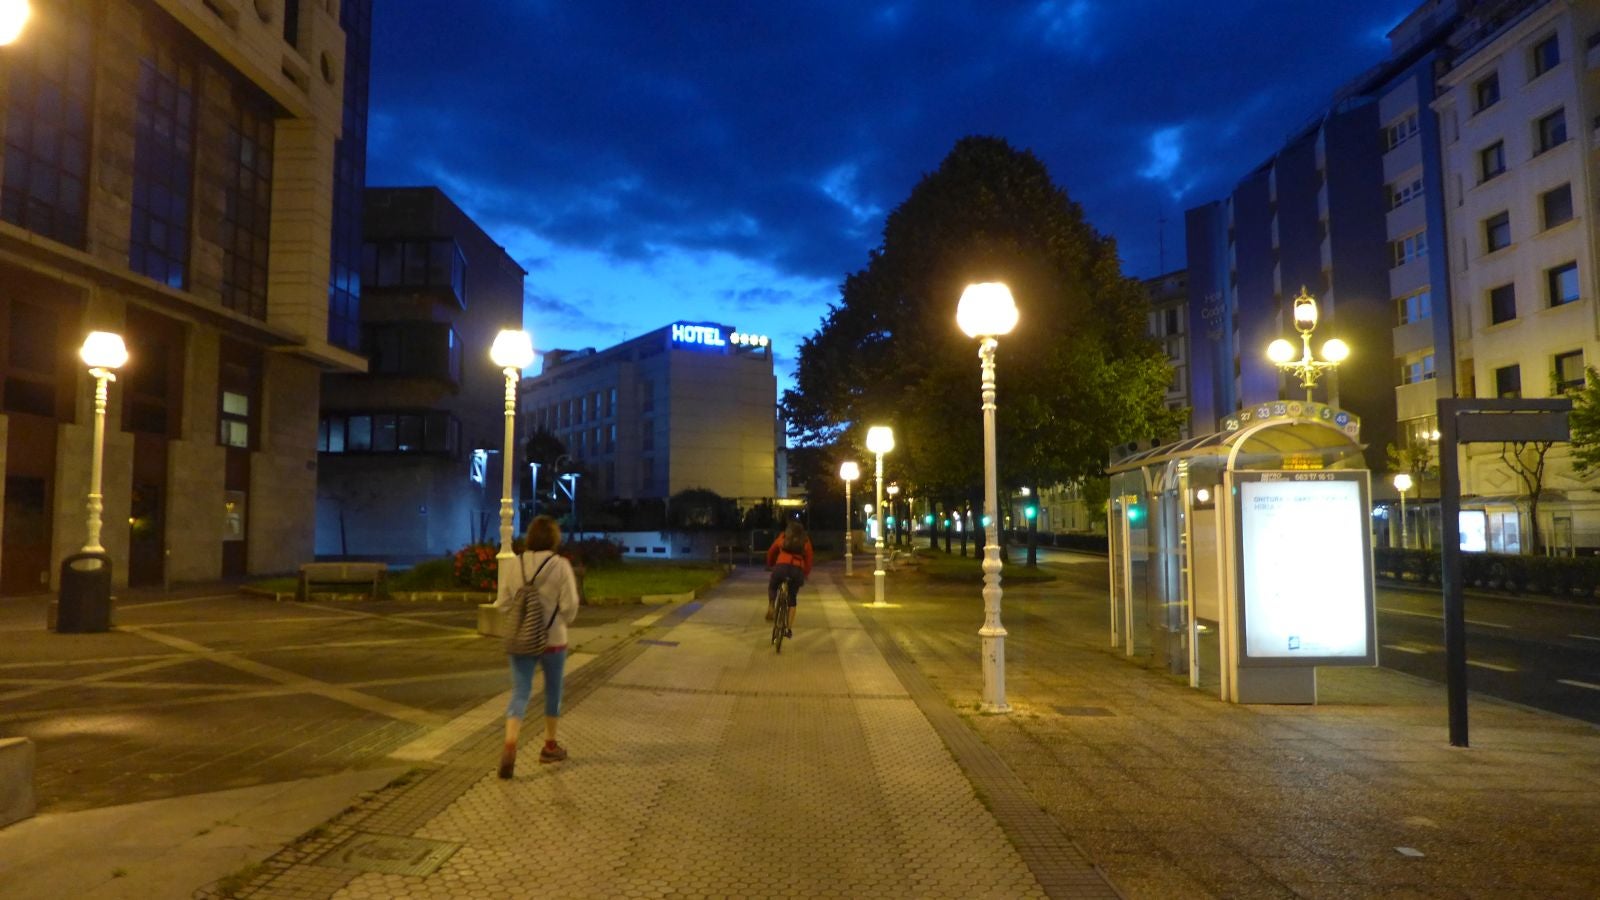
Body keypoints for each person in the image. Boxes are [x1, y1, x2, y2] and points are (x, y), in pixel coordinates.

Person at [495, 515, 581, 778]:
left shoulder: (514, 564)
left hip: (521, 639)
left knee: (520, 691)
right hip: (553, 639)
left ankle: (510, 744)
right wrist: (557, 622)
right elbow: (570, 606)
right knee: (553, 691)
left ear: (530, 536)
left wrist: (523, 619)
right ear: (554, 538)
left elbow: (503, 603)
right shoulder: (560, 565)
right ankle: (549, 746)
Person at [765, 520, 813, 639]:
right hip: (797, 570)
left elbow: (771, 552)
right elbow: (809, 560)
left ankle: (771, 604)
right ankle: (788, 628)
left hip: (781, 567)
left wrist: (770, 564)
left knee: (773, 585)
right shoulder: (805, 541)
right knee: (792, 598)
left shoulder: (783, 537)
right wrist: (805, 574)